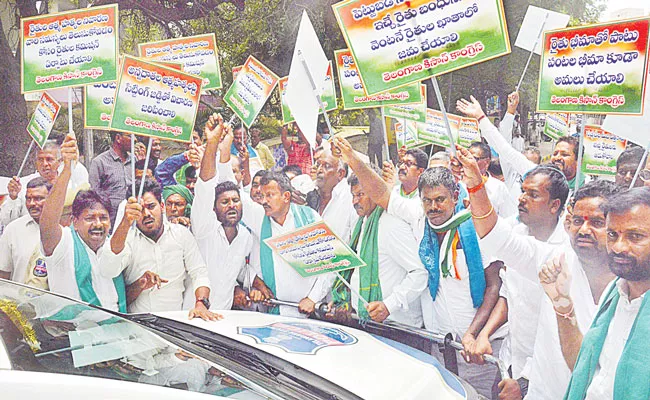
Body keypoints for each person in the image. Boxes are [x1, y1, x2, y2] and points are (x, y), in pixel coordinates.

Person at [332, 136, 502, 398]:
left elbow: (494, 286)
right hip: (439, 344)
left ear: (456, 196)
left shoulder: (478, 228)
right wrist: (353, 159)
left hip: (476, 349)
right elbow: (381, 193)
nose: (433, 207)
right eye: (427, 200)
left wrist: (474, 333)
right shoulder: (420, 219)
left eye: (440, 200)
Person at [455, 147, 619, 400]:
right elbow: (496, 237)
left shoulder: (630, 289)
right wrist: (476, 184)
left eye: (596, 222)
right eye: (578, 221)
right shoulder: (554, 261)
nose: (584, 229)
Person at [467, 165, 571, 397]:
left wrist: (525, 380)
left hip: (541, 373)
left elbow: (561, 332)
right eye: (523, 191)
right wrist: (484, 334)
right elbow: (509, 294)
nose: (522, 199)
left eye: (533, 195)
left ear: (555, 205)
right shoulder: (517, 230)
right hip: (509, 360)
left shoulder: (566, 253)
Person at [216, 116, 332, 318]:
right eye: (262, 195)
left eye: (270, 195)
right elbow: (229, 186)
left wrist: (313, 298)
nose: (264, 200)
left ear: (286, 197)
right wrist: (225, 147)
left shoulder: (310, 218)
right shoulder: (260, 216)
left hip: (307, 313)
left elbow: (329, 263)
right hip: (272, 311)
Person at [543, 187, 650, 399]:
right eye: (612, 235)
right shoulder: (616, 293)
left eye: (635, 236)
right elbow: (584, 366)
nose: (618, 247)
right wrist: (562, 303)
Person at [98, 177, 219, 321]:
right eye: (140, 210)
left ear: (161, 206)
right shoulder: (128, 240)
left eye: (150, 206)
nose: (147, 214)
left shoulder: (181, 235)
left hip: (176, 325)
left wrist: (201, 304)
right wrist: (141, 284)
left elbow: (199, 273)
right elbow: (107, 269)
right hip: (138, 328)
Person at [193, 116, 272, 310]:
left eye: (236, 201)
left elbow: (240, 269)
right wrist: (213, 144)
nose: (231, 206)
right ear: (213, 208)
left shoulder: (245, 237)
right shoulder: (204, 229)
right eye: (224, 202)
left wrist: (258, 284)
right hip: (194, 317)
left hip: (224, 319)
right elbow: (206, 186)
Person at [40, 135, 126, 312]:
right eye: (89, 218)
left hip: (117, 332)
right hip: (74, 335)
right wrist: (67, 170)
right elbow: (47, 224)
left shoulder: (113, 246)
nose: (97, 224)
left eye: (103, 218)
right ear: (75, 221)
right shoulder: (65, 245)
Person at [329, 170, 427, 326]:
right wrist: (344, 299)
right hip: (369, 321)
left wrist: (389, 305)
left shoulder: (391, 224)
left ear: (375, 191)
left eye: (361, 194)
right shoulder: (362, 223)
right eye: (353, 196)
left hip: (396, 327)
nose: (355, 201)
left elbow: (419, 273)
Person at [457, 93, 586, 199]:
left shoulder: (587, 187)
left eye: (564, 154)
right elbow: (504, 148)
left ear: (578, 160)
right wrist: (481, 117)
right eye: (555, 153)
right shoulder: (537, 174)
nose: (557, 157)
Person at [2, 139, 89, 227]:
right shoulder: (22, 185)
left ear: (59, 161)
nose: (45, 164)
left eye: (49, 159)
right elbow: (6, 222)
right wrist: (13, 198)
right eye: (40, 159)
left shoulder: (69, 186)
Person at [0, 177, 52, 290]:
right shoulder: (13, 230)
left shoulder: (65, 230)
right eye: (28, 199)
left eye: (38, 198)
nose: (32, 203)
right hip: (18, 304)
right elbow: (3, 275)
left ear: (52, 199)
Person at [89, 131, 133, 227]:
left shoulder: (134, 160)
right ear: (118, 138)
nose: (135, 140)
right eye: (130, 136)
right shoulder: (99, 162)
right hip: (110, 221)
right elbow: (94, 193)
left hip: (133, 219)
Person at [312, 150, 357, 242]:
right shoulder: (310, 194)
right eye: (318, 165)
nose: (319, 170)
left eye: (326, 166)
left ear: (340, 173)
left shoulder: (351, 197)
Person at [468, 142, 517, 218]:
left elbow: (509, 217)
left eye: (474, 159)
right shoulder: (459, 184)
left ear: (487, 162)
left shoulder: (498, 187)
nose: (469, 162)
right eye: (467, 158)